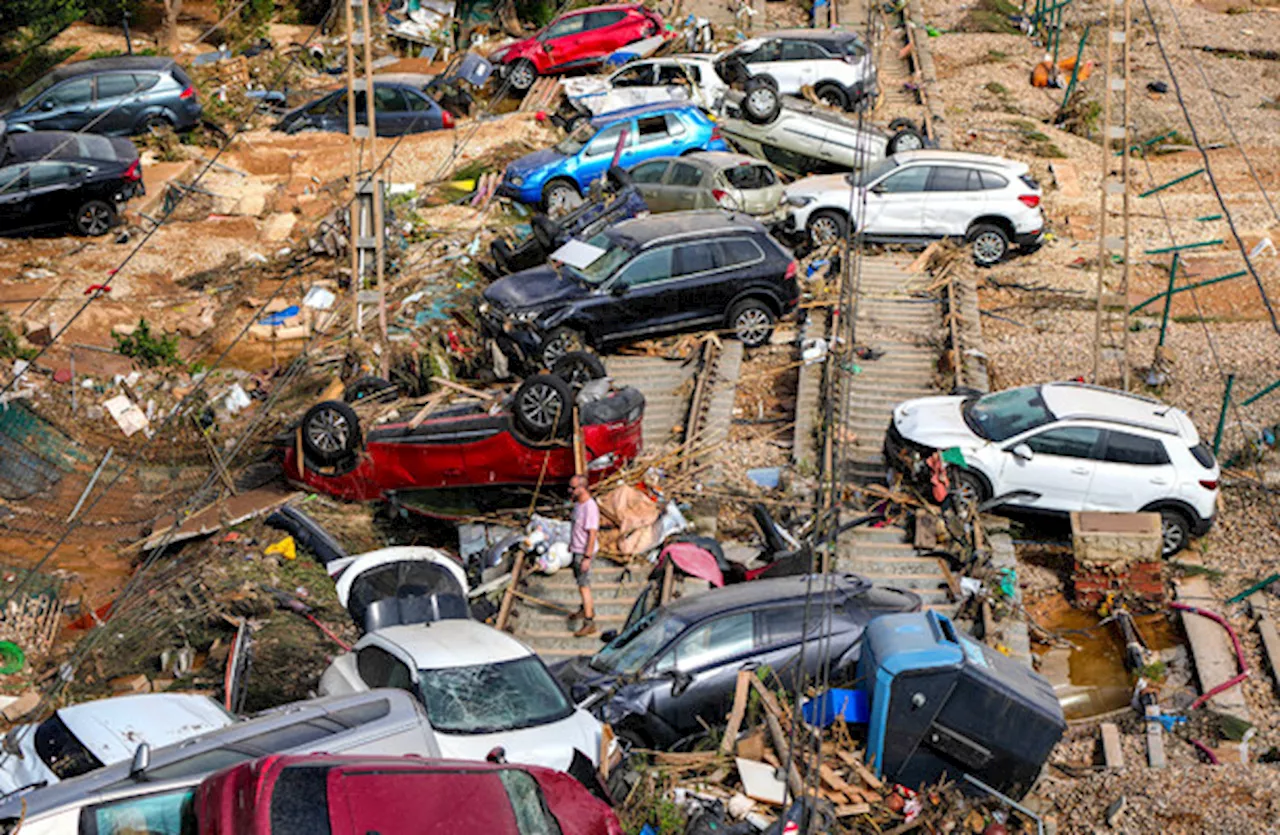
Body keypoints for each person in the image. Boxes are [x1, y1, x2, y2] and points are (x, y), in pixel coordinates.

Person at [566, 474, 599, 637]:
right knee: (580, 584)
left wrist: (587, 557)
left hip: (583, 552)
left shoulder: (589, 507)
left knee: (584, 585)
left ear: (582, 488)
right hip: (576, 549)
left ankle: (589, 621)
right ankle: (584, 608)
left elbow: (592, 534)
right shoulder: (578, 504)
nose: (570, 490)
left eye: (573, 488)